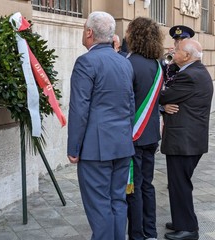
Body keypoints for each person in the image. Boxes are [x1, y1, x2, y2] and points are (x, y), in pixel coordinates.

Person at [67, 11, 135, 240]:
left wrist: (73, 148)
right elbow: (130, 107)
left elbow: (79, 110)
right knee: (117, 201)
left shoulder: (86, 62)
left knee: (100, 207)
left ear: (89, 33)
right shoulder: (124, 62)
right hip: (122, 145)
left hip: (96, 149)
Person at [159, 38, 213, 240]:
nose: (173, 50)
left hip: (184, 142)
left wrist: (163, 104)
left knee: (180, 183)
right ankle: (181, 221)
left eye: (177, 49)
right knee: (178, 183)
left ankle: (189, 229)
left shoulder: (190, 76)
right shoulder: (195, 71)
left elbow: (164, 95)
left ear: (187, 56)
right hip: (189, 140)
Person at [125, 17, 164, 240]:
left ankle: (137, 235)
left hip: (134, 136)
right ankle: (151, 232)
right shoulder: (157, 65)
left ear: (135, 35)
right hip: (151, 135)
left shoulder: (128, 63)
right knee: (147, 186)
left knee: (134, 188)